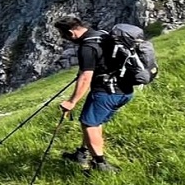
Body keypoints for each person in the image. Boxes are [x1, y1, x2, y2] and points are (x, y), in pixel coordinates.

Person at [54, 16, 132, 172]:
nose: (64, 38)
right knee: (94, 121)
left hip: (107, 92)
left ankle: (101, 165)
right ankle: (82, 153)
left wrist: (71, 101)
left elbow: (85, 77)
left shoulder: (87, 47)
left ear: (71, 32)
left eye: (63, 35)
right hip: (124, 89)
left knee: (89, 124)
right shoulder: (101, 34)